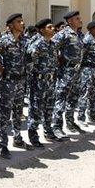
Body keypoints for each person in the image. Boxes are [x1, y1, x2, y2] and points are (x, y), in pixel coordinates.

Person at [0, 13, 33, 158]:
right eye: (19, 21)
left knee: (18, 112)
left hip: (20, 81)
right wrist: (1, 69)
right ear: (11, 25)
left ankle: (17, 139)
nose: (22, 23)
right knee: (5, 114)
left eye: (22, 21)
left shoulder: (24, 40)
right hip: (8, 82)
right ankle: (3, 144)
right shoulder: (4, 40)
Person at [27, 19, 60, 147]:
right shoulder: (37, 44)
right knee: (36, 109)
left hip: (51, 81)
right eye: (50, 27)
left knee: (49, 108)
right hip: (39, 81)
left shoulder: (52, 44)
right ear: (42, 30)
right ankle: (33, 135)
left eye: (53, 26)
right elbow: (29, 62)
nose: (53, 29)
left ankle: (48, 131)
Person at [51, 10, 84, 139]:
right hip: (66, 71)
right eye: (77, 18)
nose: (80, 20)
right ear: (70, 21)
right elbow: (51, 47)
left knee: (74, 98)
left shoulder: (79, 34)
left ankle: (70, 123)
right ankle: (57, 127)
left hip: (77, 71)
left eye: (79, 18)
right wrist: (58, 61)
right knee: (61, 98)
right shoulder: (63, 34)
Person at [76, 21, 95, 124]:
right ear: (90, 30)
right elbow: (81, 56)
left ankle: (92, 114)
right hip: (87, 70)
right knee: (85, 93)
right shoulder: (86, 41)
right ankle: (81, 118)